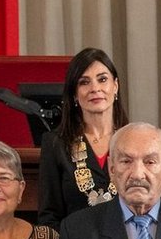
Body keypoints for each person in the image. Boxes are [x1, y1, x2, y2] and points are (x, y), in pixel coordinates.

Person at [37, 47, 128, 228]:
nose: (95, 88)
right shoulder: (55, 143)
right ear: (74, 94)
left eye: (102, 79)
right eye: (84, 82)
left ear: (115, 86)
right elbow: (49, 217)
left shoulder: (135, 140)